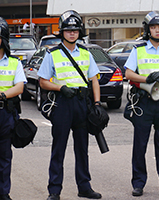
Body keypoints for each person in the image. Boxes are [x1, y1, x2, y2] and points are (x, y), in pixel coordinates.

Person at [37, 10, 103, 200]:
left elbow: (94, 80)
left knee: (82, 149)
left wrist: (97, 104)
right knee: (59, 148)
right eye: (68, 30)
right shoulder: (53, 54)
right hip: (63, 103)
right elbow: (42, 81)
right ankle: (54, 190)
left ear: (80, 32)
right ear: (62, 32)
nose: (72, 33)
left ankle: (84, 187)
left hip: (82, 103)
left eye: (75, 30)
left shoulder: (86, 53)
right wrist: (60, 87)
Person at [124, 11, 159, 196]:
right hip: (144, 101)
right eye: (154, 27)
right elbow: (128, 74)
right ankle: (138, 183)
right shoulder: (138, 49)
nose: (157, 30)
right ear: (148, 30)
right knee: (140, 145)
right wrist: (147, 78)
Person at [0, 17, 27, 200]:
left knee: (4, 157)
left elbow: (19, 87)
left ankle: (3, 193)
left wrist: (2, 95)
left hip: (5, 113)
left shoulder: (14, 63)